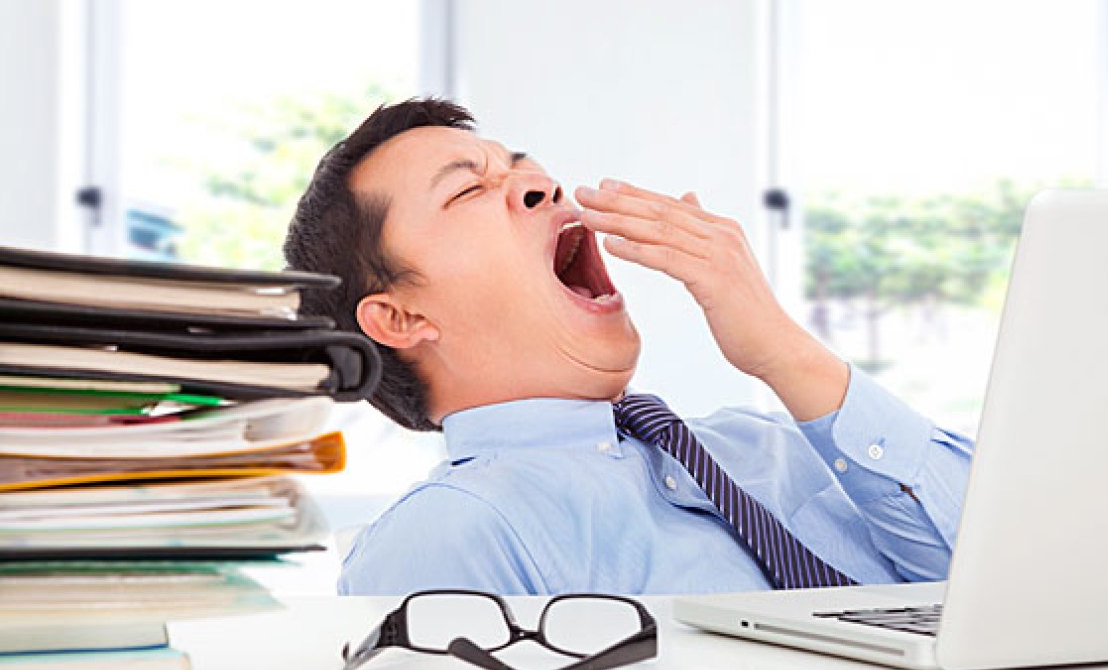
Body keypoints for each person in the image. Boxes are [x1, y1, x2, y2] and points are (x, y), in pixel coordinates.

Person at [283, 97, 973, 596]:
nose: (541, 185)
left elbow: (1005, 584)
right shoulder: (448, 536)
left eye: (523, 168)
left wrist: (786, 355)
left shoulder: (776, 446)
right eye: (467, 190)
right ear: (400, 318)